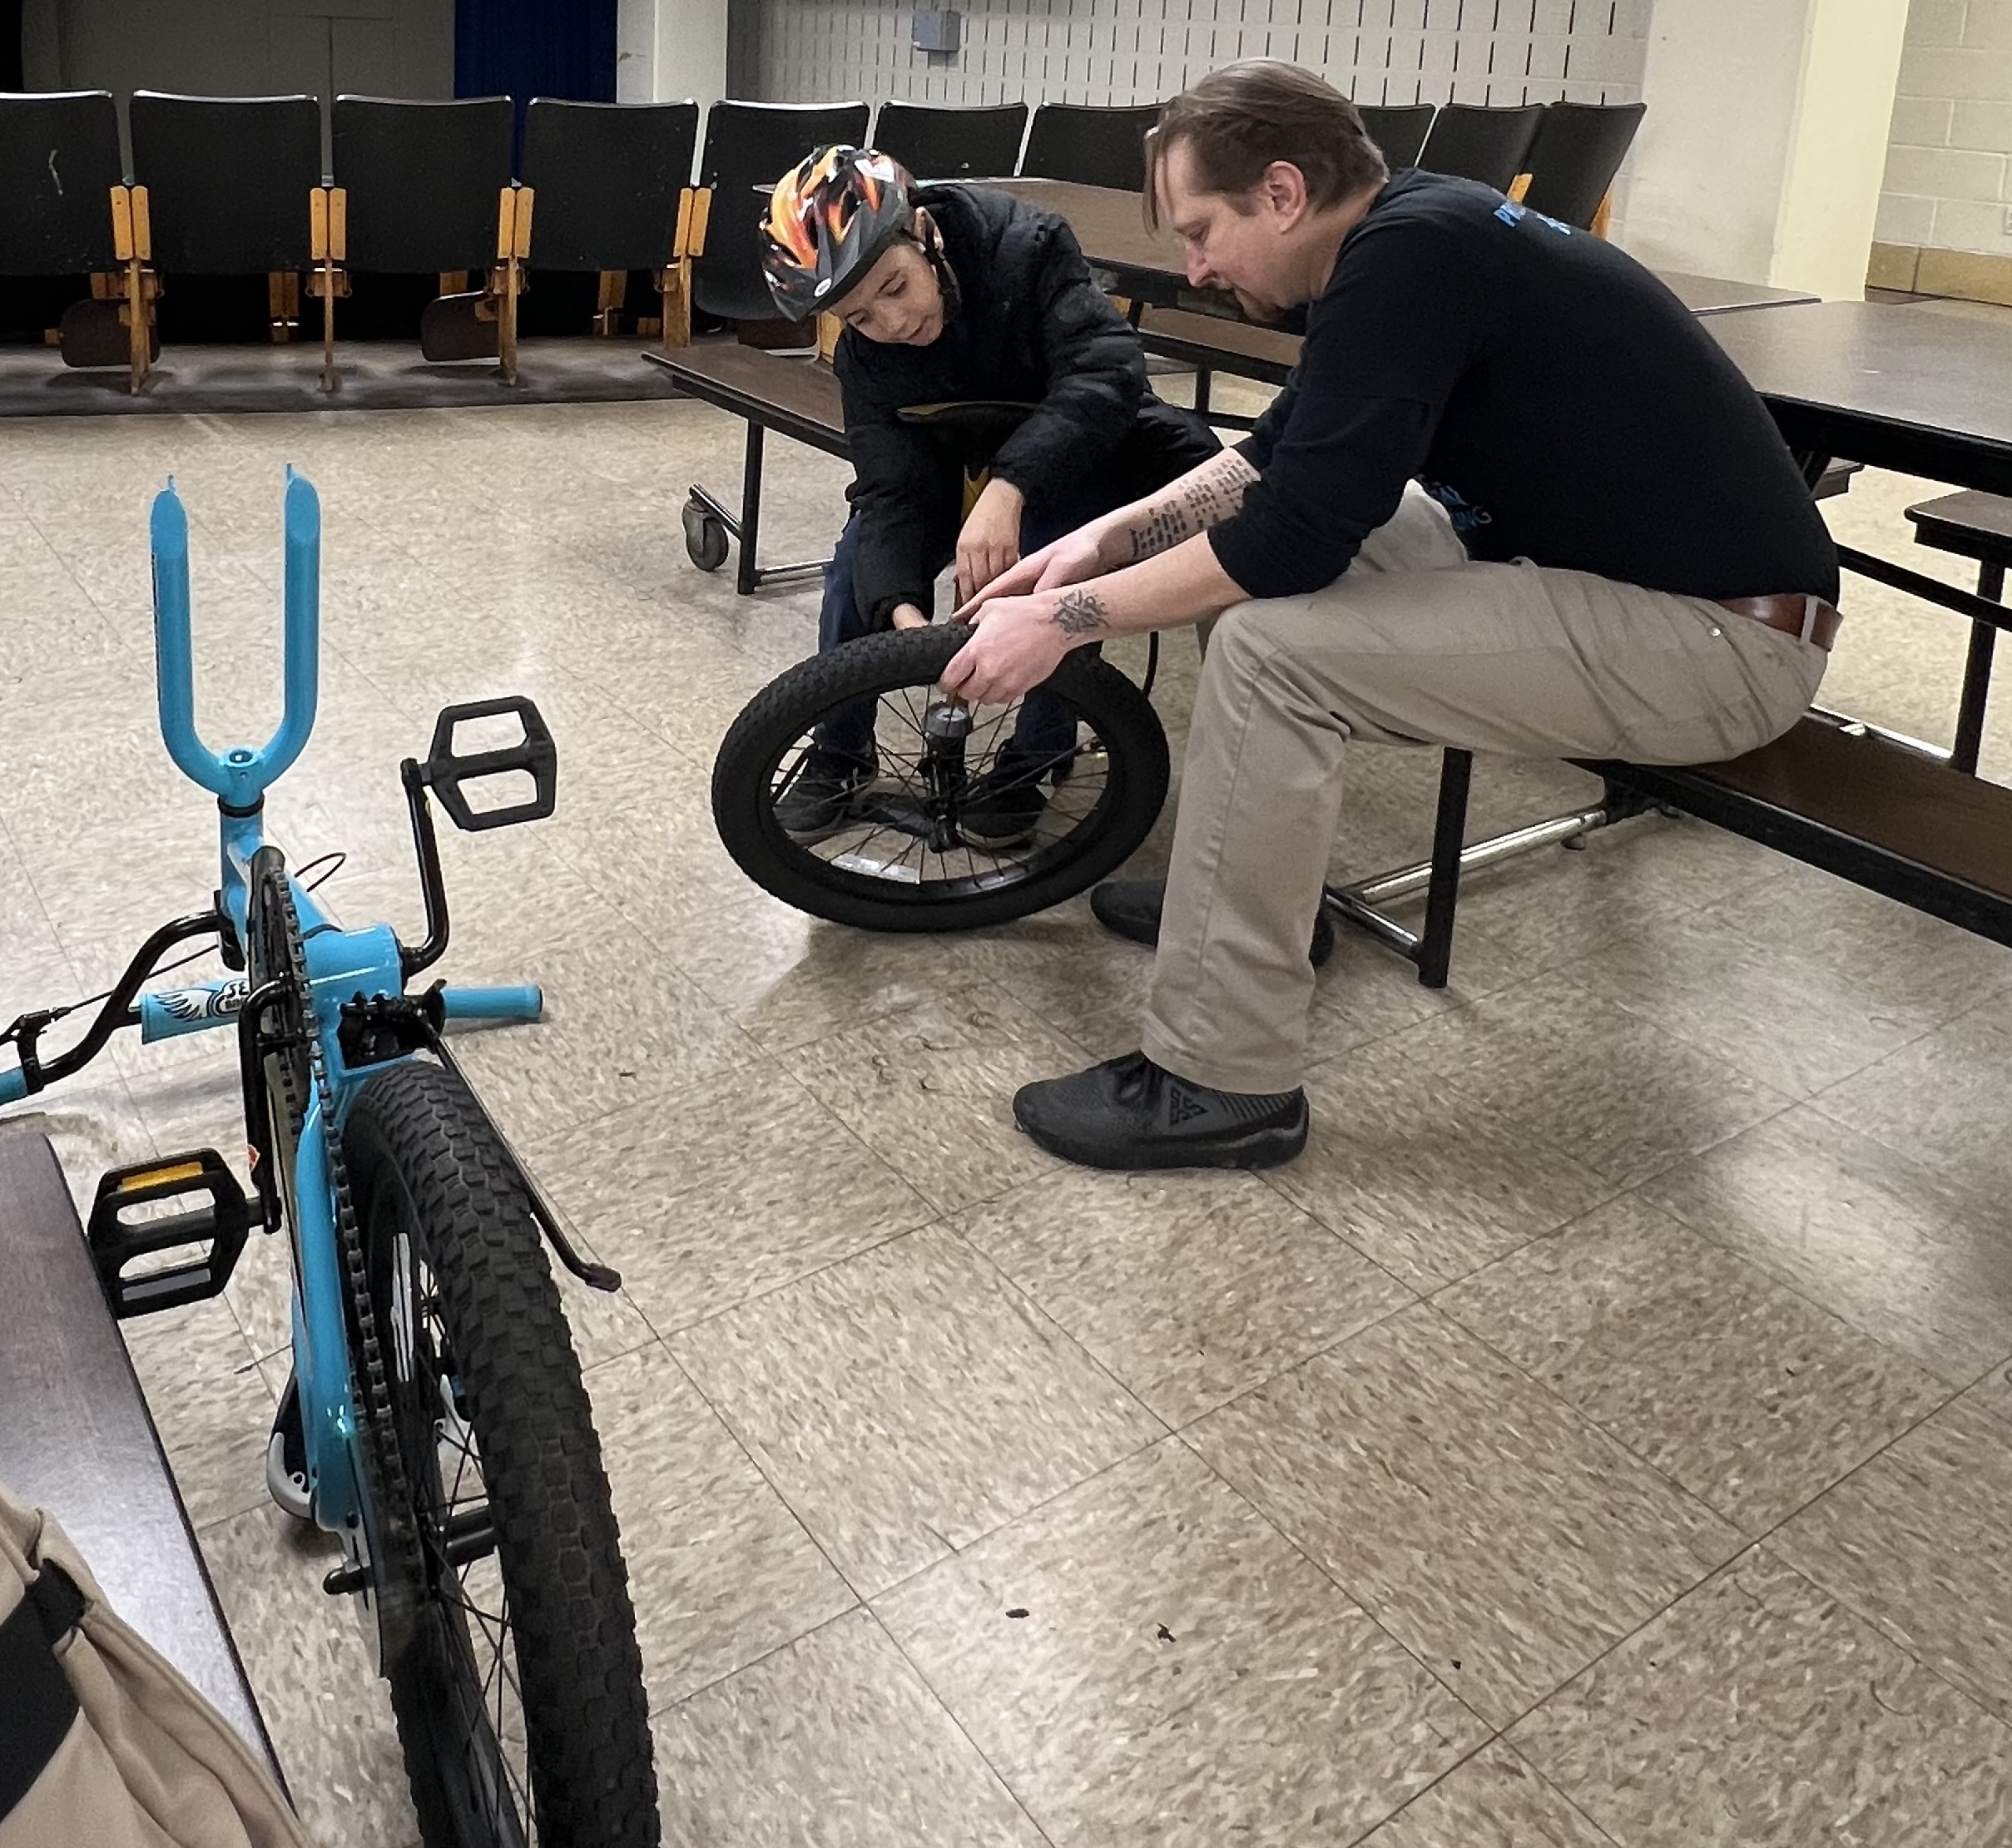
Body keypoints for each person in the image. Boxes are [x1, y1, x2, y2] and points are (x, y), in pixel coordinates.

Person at [949, 59, 1840, 1173]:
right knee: (1246, 592)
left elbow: (1290, 539)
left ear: (1282, 192)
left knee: (1272, 649)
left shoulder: (1412, 255)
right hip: (1598, 578)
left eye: (1203, 231)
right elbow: (1277, 462)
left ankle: (1220, 1081)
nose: (1196, 267)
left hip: (1719, 643)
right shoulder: (1407, 233)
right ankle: (1256, 910)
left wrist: (1067, 617)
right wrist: (1103, 541)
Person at [758, 146, 1219, 841]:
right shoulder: (868, 358)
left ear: (924, 231)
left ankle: (1034, 760)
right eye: (860, 318)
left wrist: (1010, 488)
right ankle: (840, 752)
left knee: (1053, 568)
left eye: (895, 288)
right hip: (954, 457)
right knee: (855, 570)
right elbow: (891, 489)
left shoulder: (1026, 247)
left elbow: (1106, 374)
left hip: (1075, 450)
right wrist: (903, 620)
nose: (891, 324)